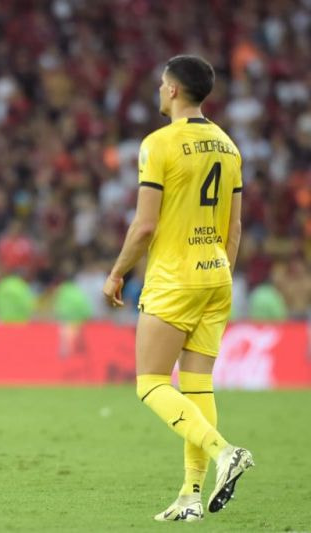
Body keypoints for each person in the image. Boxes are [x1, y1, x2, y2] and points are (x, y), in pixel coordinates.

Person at [103, 56, 253, 521]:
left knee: (149, 384)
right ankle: (191, 496)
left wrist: (117, 271)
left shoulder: (159, 143)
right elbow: (236, 227)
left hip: (175, 277)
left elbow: (145, 225)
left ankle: (224, 451)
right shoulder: (229, 147)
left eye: (160, 84)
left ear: (171, 90)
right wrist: (217, 273)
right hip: (217, 275)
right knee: (196, 386)